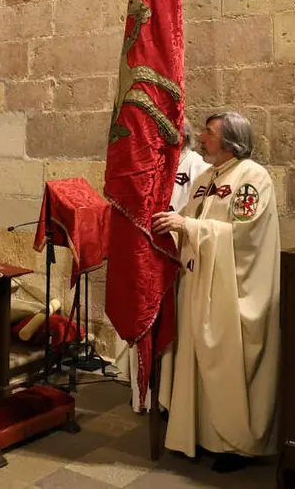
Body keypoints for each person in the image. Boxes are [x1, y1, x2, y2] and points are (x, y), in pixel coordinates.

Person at [150, 111, 280, 472]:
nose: (201, 139)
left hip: (232, 290)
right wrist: (171, 227)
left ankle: (234, 445)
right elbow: (191, 222)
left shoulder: (253, 178)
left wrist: (188, 225)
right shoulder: (207, 177)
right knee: (198, 360)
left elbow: (243, 235)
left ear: (230, 141)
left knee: (228, 364)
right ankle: (200, 435)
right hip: (200, 285)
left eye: (208, 133)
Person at [120, 119, 210, 412]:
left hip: (177, 257)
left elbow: (196, 213)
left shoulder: (196, 166)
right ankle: (144, 395)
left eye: (160, 137)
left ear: (178, 139)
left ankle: (170, 401)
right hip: (150, 255)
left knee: (173, 330)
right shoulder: (155, 164)